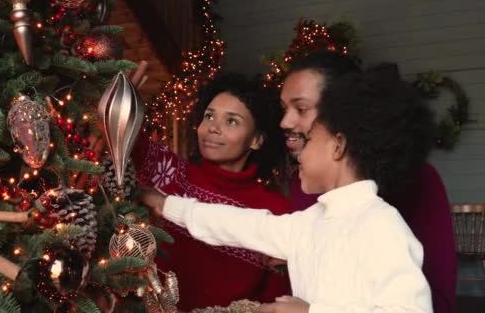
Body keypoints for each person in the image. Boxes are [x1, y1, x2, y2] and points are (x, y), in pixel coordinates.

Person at [142, 70, 435, 313]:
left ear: (338, 145)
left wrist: (311, 312)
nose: (298, 154)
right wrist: (165, 204)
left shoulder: (381, 224)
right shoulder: (308, 222)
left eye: (308, 141)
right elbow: (234, 223)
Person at [280, 52, 456, 313]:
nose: (285, 122)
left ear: (345, 110)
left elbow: (436, 295)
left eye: (301, 109)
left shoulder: (420, 181)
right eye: (284, 109)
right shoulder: (305, 181)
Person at [131, 73, 292, 310]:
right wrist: (122, 102)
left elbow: (276, 300)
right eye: (209, 116)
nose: (213, 128)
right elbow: (123, 134)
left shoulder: (276, 211)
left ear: (257, 140)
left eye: (232, 121)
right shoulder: (168, 170)